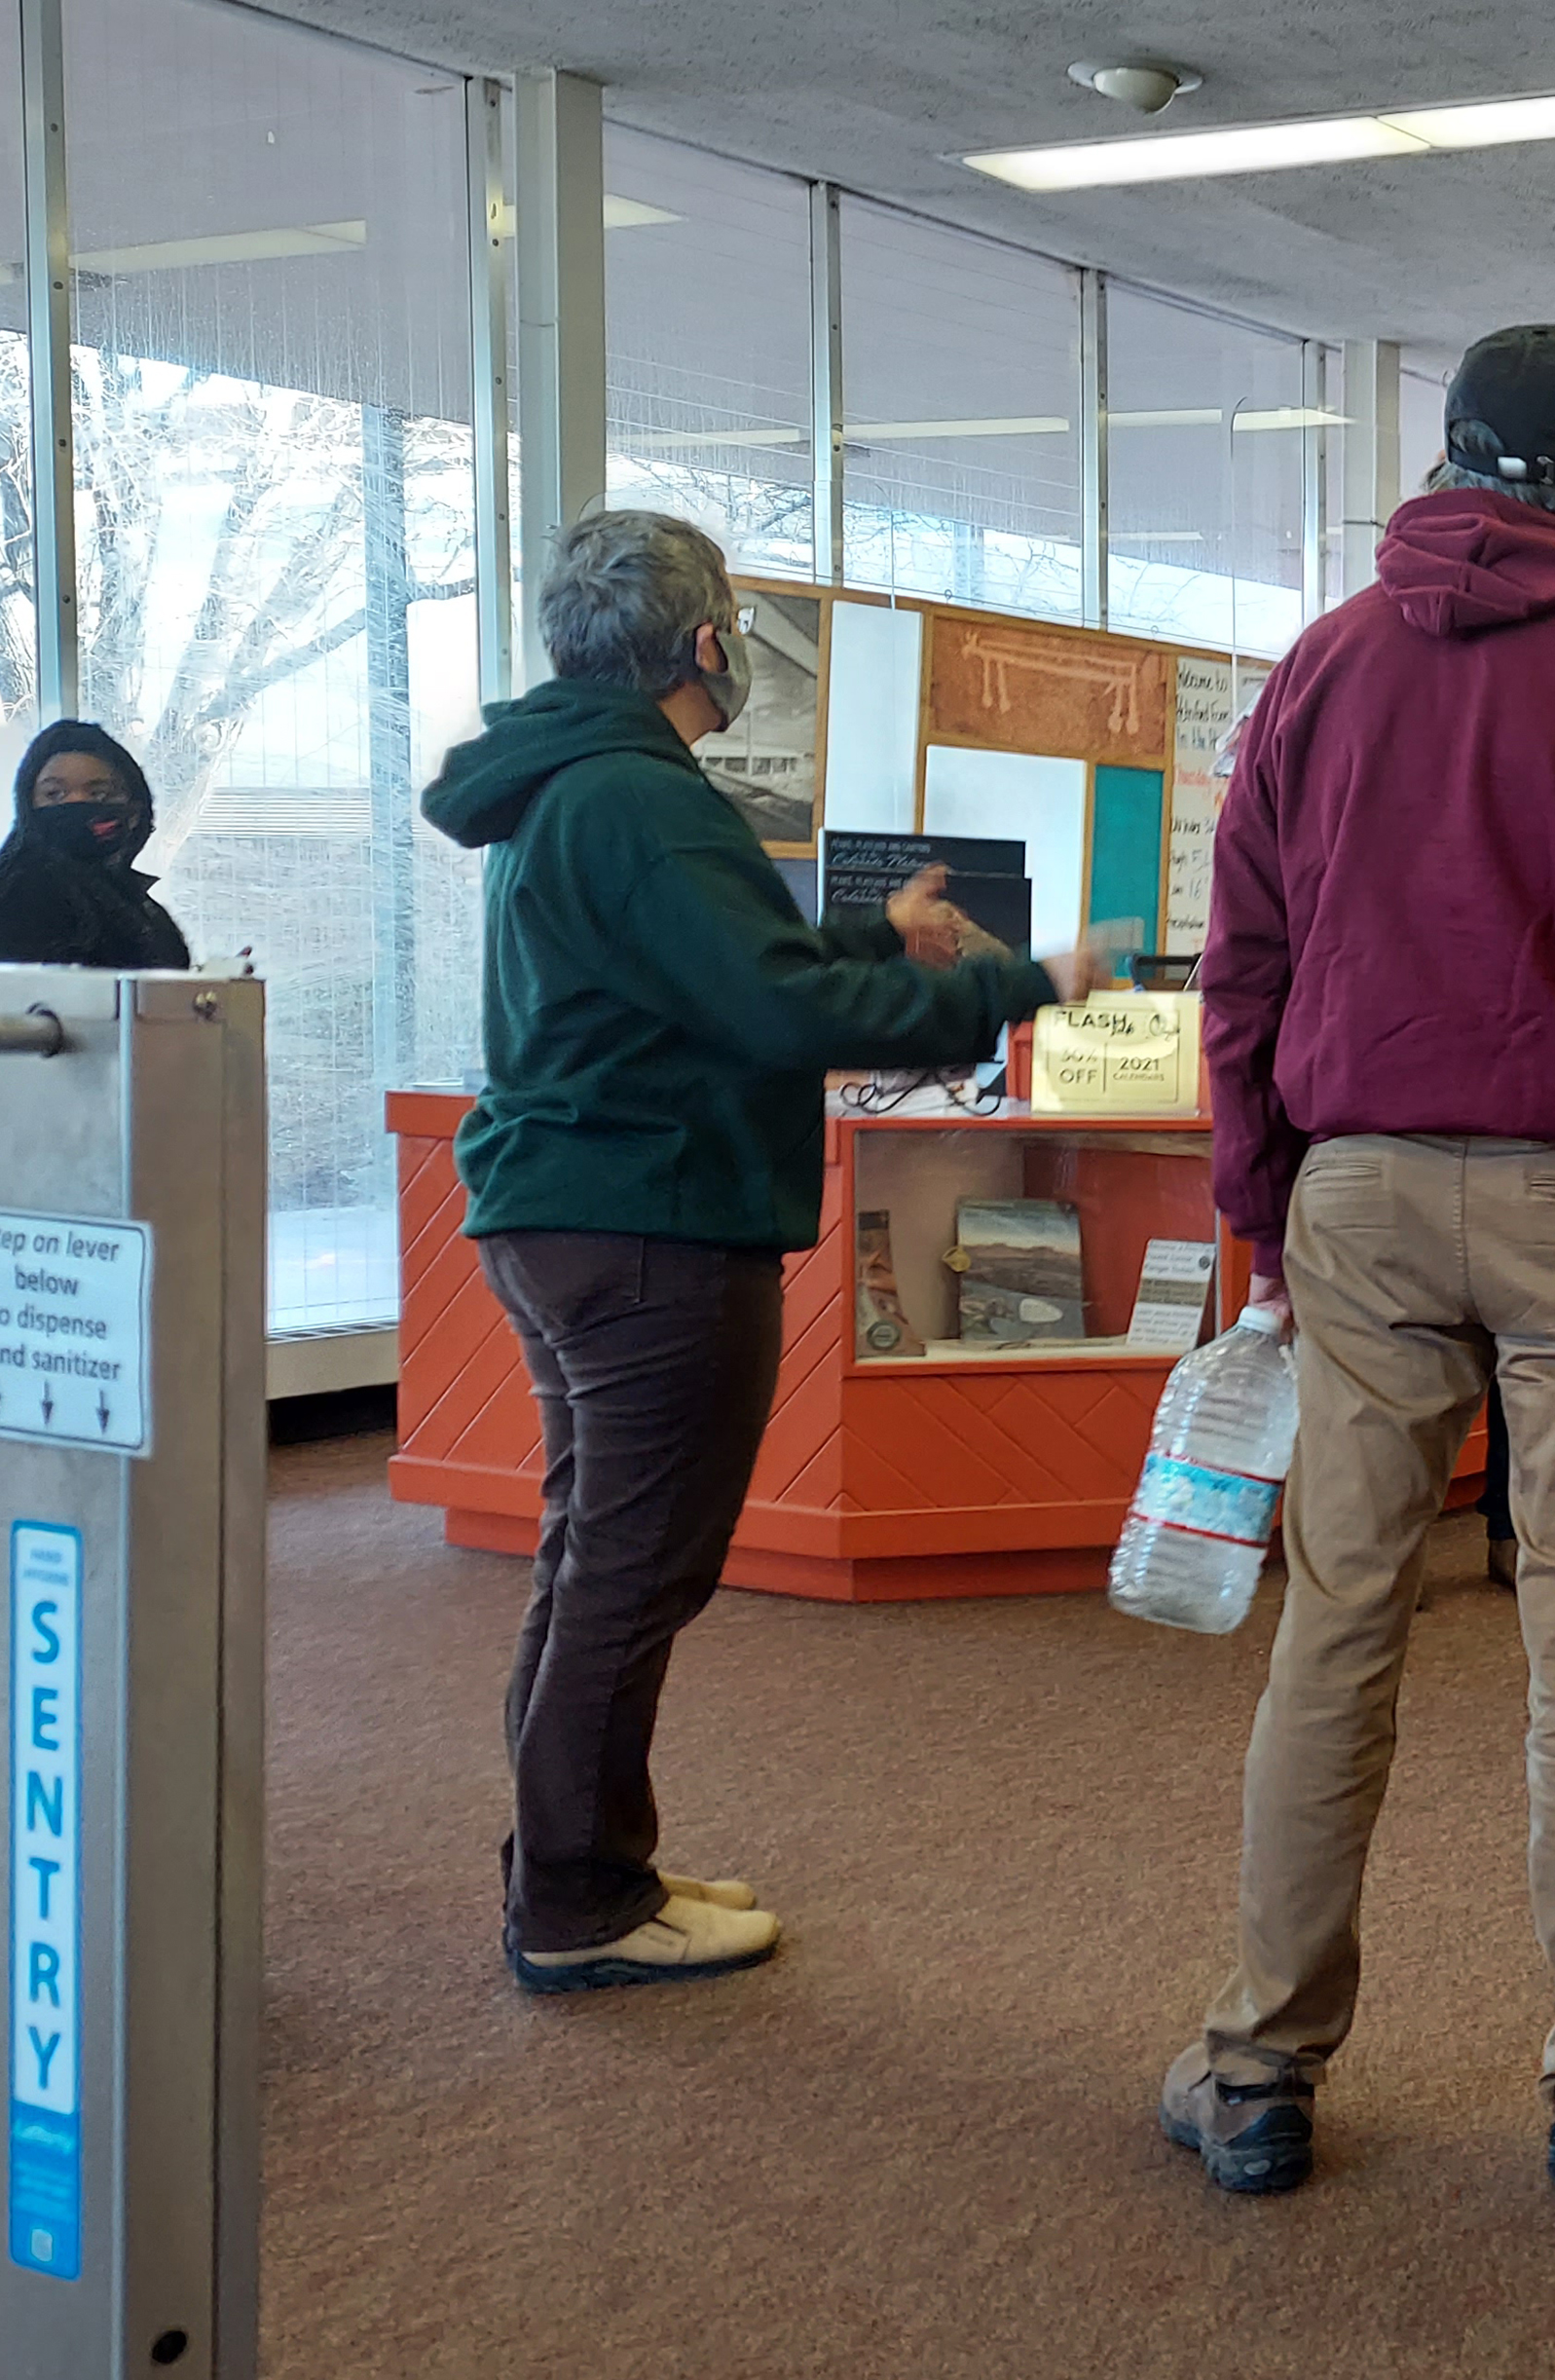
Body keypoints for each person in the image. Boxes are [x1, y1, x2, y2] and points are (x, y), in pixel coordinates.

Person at [1171, 322, 1555, 2202]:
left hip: (1358, 1192)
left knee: (1336, 1623)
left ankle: (1260, 2067)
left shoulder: (1324, 663)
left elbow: (1243, 963)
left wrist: (1260, 1210)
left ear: (1447, 466)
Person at [421, 507, 1061, 1996]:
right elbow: (779, 1015)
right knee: (630, 1574)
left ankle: (582, 1865)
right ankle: (580, 1900)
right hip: (651, 1222)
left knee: (593, 1562)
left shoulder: (573, 784)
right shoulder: (642, 799)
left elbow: (718, 972)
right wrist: (1026, 984)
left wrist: (875, 941)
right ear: (705, 640)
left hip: (572, 1210)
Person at [0, 721, 192, 971]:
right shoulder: (18, 893)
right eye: (54, 794)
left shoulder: (123, 892)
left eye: (99, 794)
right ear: (27, 804)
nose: (76, 803)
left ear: (134, 810)